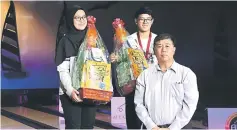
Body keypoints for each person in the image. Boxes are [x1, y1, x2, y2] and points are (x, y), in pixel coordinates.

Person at [134, 33, 199, 130]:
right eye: (159, 46)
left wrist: (172, 128)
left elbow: (190, 104)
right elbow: (138, 104)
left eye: (167, 46)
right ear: (154, 50)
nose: (163, 50)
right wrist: (152, 126)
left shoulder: (186, 74)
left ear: (174, 50)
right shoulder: (145, 75)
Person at [110, 6, 158, 129]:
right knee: (133, 120)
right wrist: (115, 57)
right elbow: (121, 58)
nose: (145, 22)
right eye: (142, 19)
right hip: (133, 85)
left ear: (152, 21)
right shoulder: (128, 40)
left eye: (148, 19)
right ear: (136, 21)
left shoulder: (158, 40)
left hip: (153, 85)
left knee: (153, 120)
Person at [55, 5, 96, 129]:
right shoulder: (64, 41)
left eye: (83, 17)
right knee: (74, 126)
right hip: (71, 92)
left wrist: (105, 89)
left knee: (88, 126)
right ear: (70, 20)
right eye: (77, 18)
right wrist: (70, 90)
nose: (81, 20)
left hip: (90, 91)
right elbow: (62, 70)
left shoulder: (93, 39)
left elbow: (101, 66)